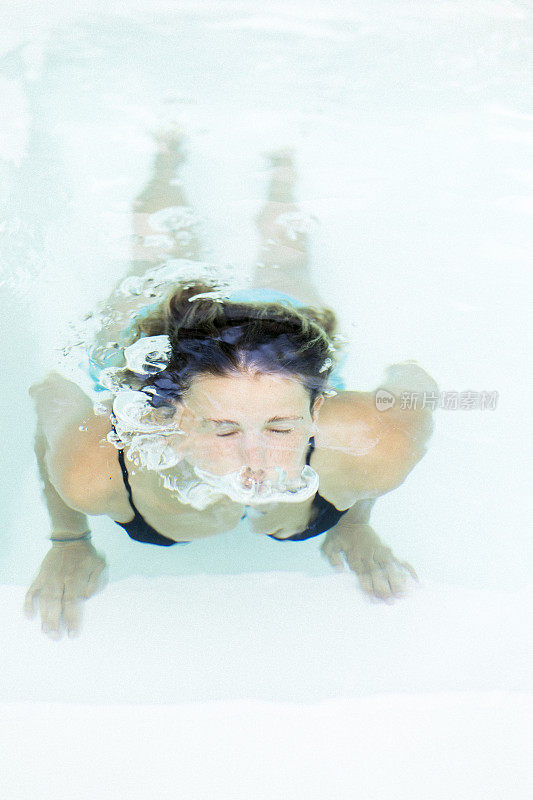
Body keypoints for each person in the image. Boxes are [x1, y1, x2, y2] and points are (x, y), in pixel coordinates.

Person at [24, 128, 438, 640]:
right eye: (222, 430)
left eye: (282, 429)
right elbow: (50, 397)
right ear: (171, 416)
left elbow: (415, 380)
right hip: (157, 335)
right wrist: (69, 538)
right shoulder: (99, 468)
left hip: (278, 343)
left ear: (318, 412)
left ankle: (281, 170)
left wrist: (357, 521)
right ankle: (166, 152)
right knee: (153, 257)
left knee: (287, 262)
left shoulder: (377, 444)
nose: (255, 460)